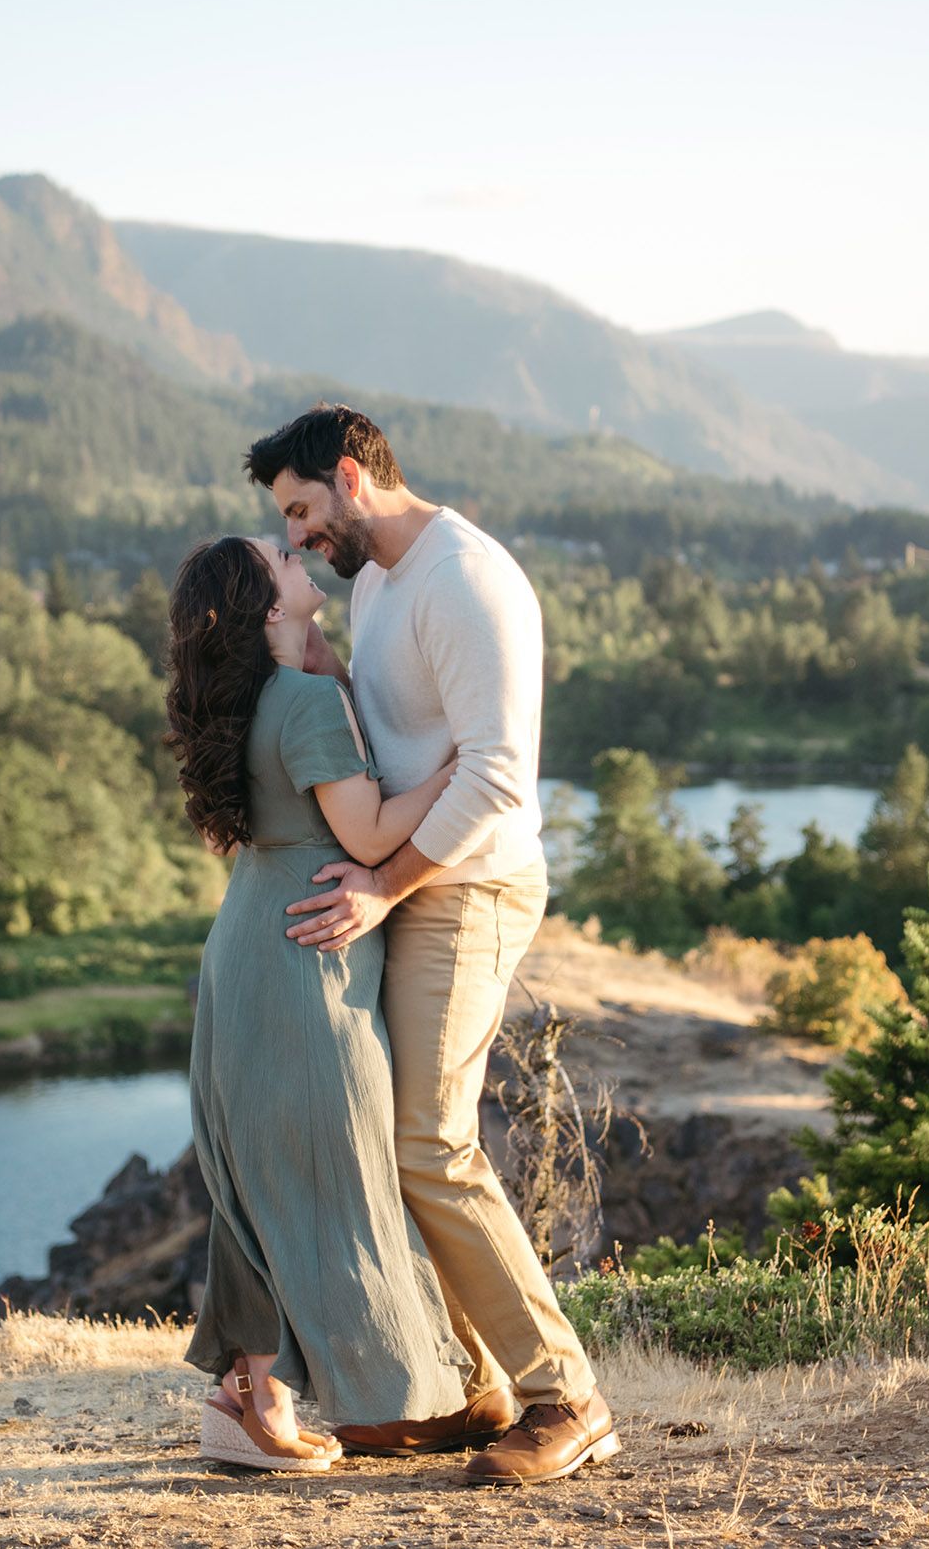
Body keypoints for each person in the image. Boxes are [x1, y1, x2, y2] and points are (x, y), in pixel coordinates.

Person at [251, 404, 621, 1486]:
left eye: (303, 508)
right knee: (392, 1133)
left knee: (429, 1140)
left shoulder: (466, 577)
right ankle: (474, 1388)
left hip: (472, 884)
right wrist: (318, 660)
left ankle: (568, 1396)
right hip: (419, 879)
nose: (299, 536)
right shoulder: (377, 581)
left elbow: (500, 774)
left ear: (353, 476)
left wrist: (381, 882)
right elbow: (403, 736)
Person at [164, 533, 475, 1473]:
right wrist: (464, 768)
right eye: (289, 567)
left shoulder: (261, 695)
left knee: (258, 1182)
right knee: (327, 1175)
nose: (307, 564)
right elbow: (372, 832)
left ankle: (246, 1395)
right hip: (308, 968)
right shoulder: (302, 702)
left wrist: (323, 664)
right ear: (268, 609)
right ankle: (292, 1401)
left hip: (245, 953)